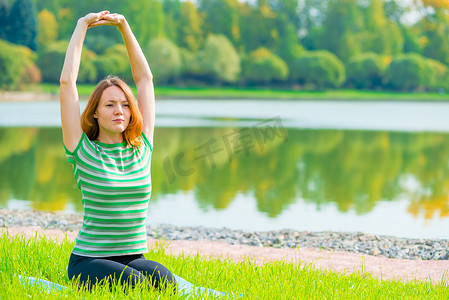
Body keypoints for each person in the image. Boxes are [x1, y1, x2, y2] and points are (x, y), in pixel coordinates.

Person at [60, 11, 176, 291]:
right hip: (89, 260)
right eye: (110, 105)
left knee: (166, 283)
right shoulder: (82, 150)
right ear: (96, 113)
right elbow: (67, 84)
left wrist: (124, 27)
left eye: (125, 104)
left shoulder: (142, 149)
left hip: (133, 256)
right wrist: (81, 26)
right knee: (136, 286)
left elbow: (145, 80)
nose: (119, 111)